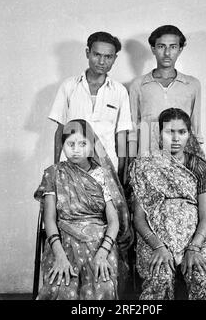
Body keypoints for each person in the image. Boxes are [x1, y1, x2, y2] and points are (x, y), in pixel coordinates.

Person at [129, 108, 206, 300]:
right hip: (156, 239)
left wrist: (194, 248)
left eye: (182, 132)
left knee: (203, 278)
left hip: (194, 238)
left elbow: (205, 218)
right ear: (159, 133)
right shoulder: (145, 165)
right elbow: (138, 218)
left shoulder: (198, 166)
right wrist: (158, 247)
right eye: (170, 132)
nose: (176, 138)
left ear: (189, 135)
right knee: (159, 279)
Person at [34, 119, 133, 300]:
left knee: (103, 288)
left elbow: (113, 221)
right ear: (63, 145)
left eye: (82, 143)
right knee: (61, 289)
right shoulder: (54, 173)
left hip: (99, 244)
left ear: (91, 145)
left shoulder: (102, 175)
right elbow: (49, 219)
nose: (76, 149)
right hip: (63, 244)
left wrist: (103, 252)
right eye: (70, 144)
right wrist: (60, 257)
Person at [48, 31, 132, 183]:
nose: (101, 61)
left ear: (114, 59)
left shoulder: (119, 91)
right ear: (88, 53)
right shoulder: (69, 87)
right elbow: (60, 130)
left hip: (105, 168)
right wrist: (57, 168)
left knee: (106, 207)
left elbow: (121, 136)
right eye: (97, 54)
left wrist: (119, 175)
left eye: (108, 57)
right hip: (71, 166)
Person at [128, 25, 203, 160]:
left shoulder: (192, 85)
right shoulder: (138, 85)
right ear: (153, 49)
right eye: (161, 46)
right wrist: (131, 163)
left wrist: (196, 163)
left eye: (173, 47)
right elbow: (132, 128)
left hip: (181, 159)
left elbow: (195, 128)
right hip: (147, 158)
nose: (167, 53)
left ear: (180, 49)